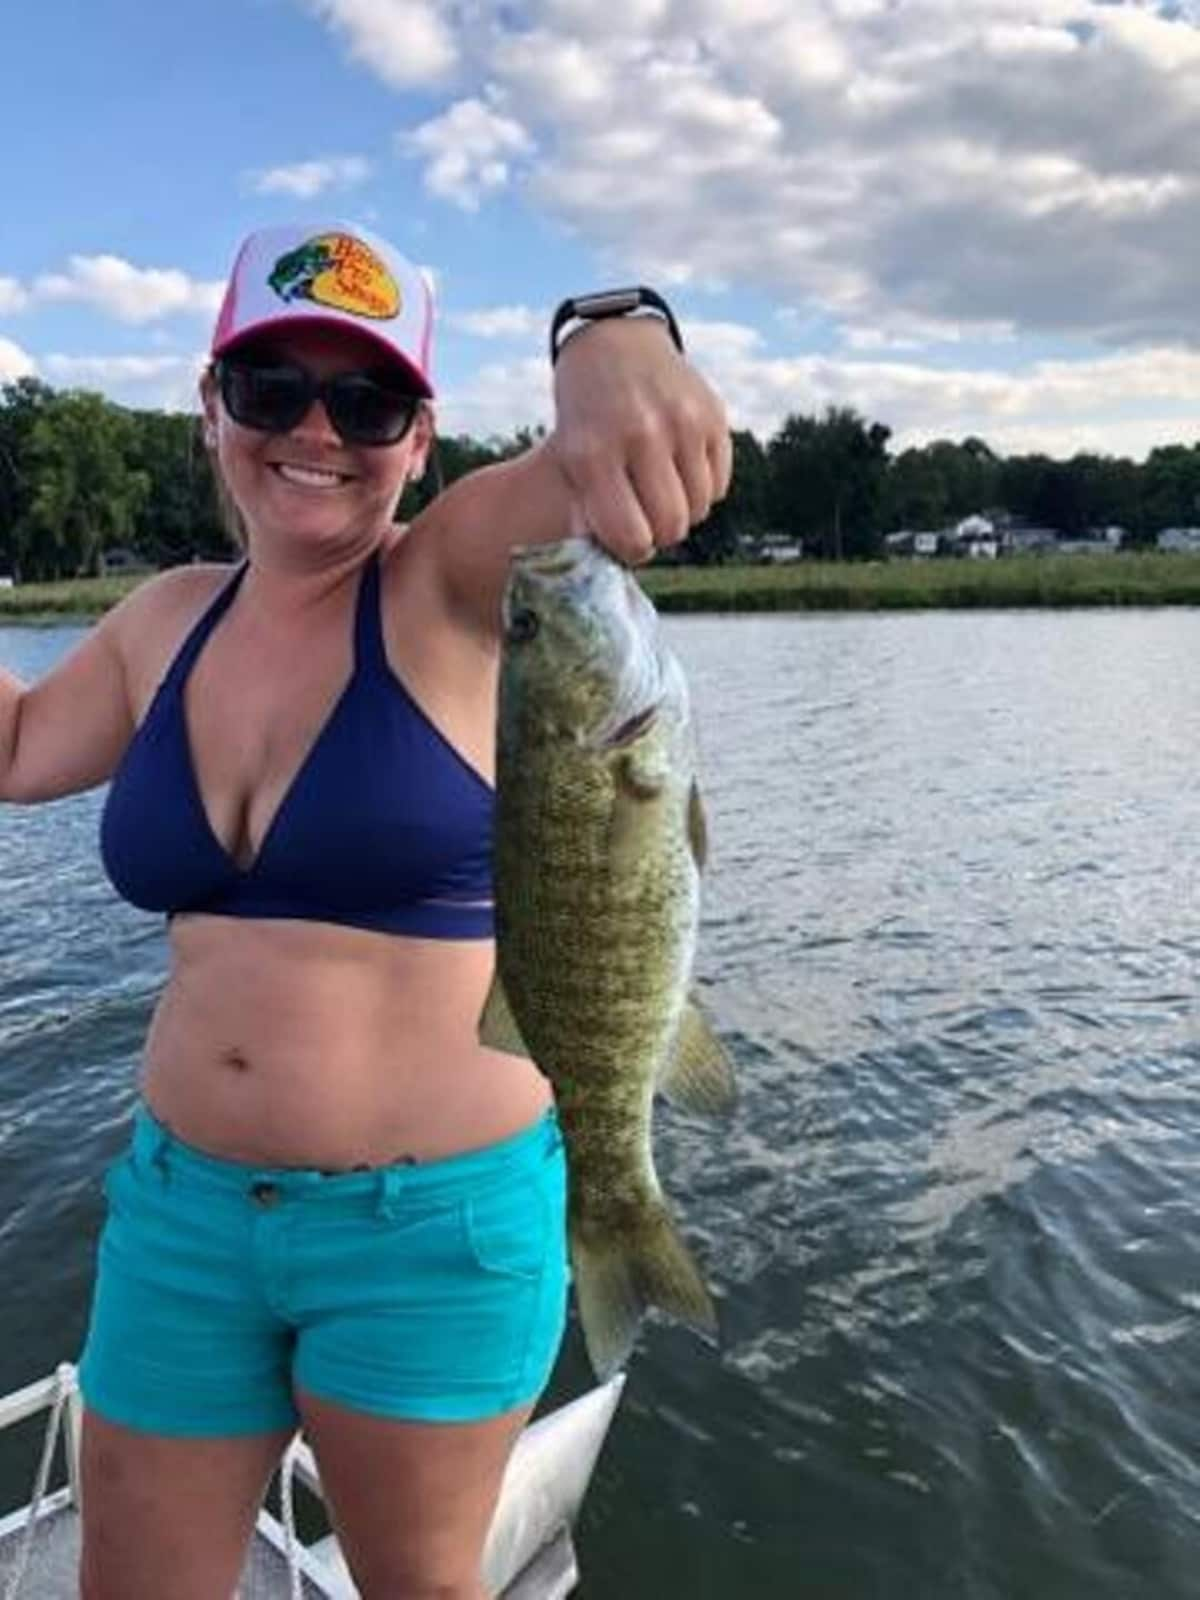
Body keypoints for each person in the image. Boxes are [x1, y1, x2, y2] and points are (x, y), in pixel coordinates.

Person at [0, 220, 730, 1599]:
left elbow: (592, 473)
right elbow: (19, 750)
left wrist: (614, 331)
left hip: (431, 1237)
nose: (316, 431)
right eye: (273, 391)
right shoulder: (165, 620)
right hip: (180, 1219)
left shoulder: (452, 582)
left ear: (421, 437)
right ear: (214, 406)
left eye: (368, 398)